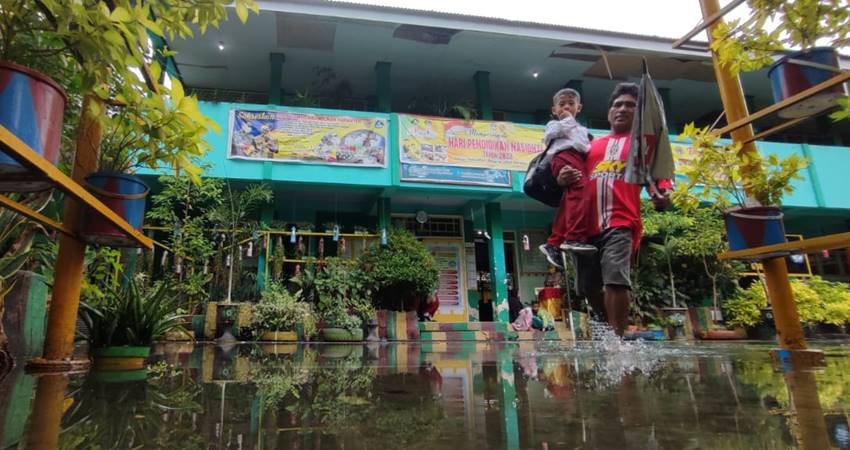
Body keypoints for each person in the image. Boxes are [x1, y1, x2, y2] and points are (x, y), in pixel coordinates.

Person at [557, 83, 672, 336]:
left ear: (639, 113)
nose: (622, 109)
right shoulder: (589, 146)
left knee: (615, 279)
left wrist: (662, 193)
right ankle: (609, 331)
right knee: (587, 286)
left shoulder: (643, 145)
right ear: (609, 112)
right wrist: (562, 176)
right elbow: (569, 173)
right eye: (617, 105)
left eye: (630, 105)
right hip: (585, 228)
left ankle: (618, 342)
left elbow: (661, 177)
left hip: (621, 221)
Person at [538, 88, 596, 269]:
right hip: (563, 157)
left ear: (579, 107)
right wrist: (567, 120)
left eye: (571, 104)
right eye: (562, 104)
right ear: (554, 110)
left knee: (571, 200)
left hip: (578, 159)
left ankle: (554, 243)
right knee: (579, 191)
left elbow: (584, 146)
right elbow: (549, 137)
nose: (566, 107)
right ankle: (574, 237)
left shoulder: (582, 129)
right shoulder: (554, 125)